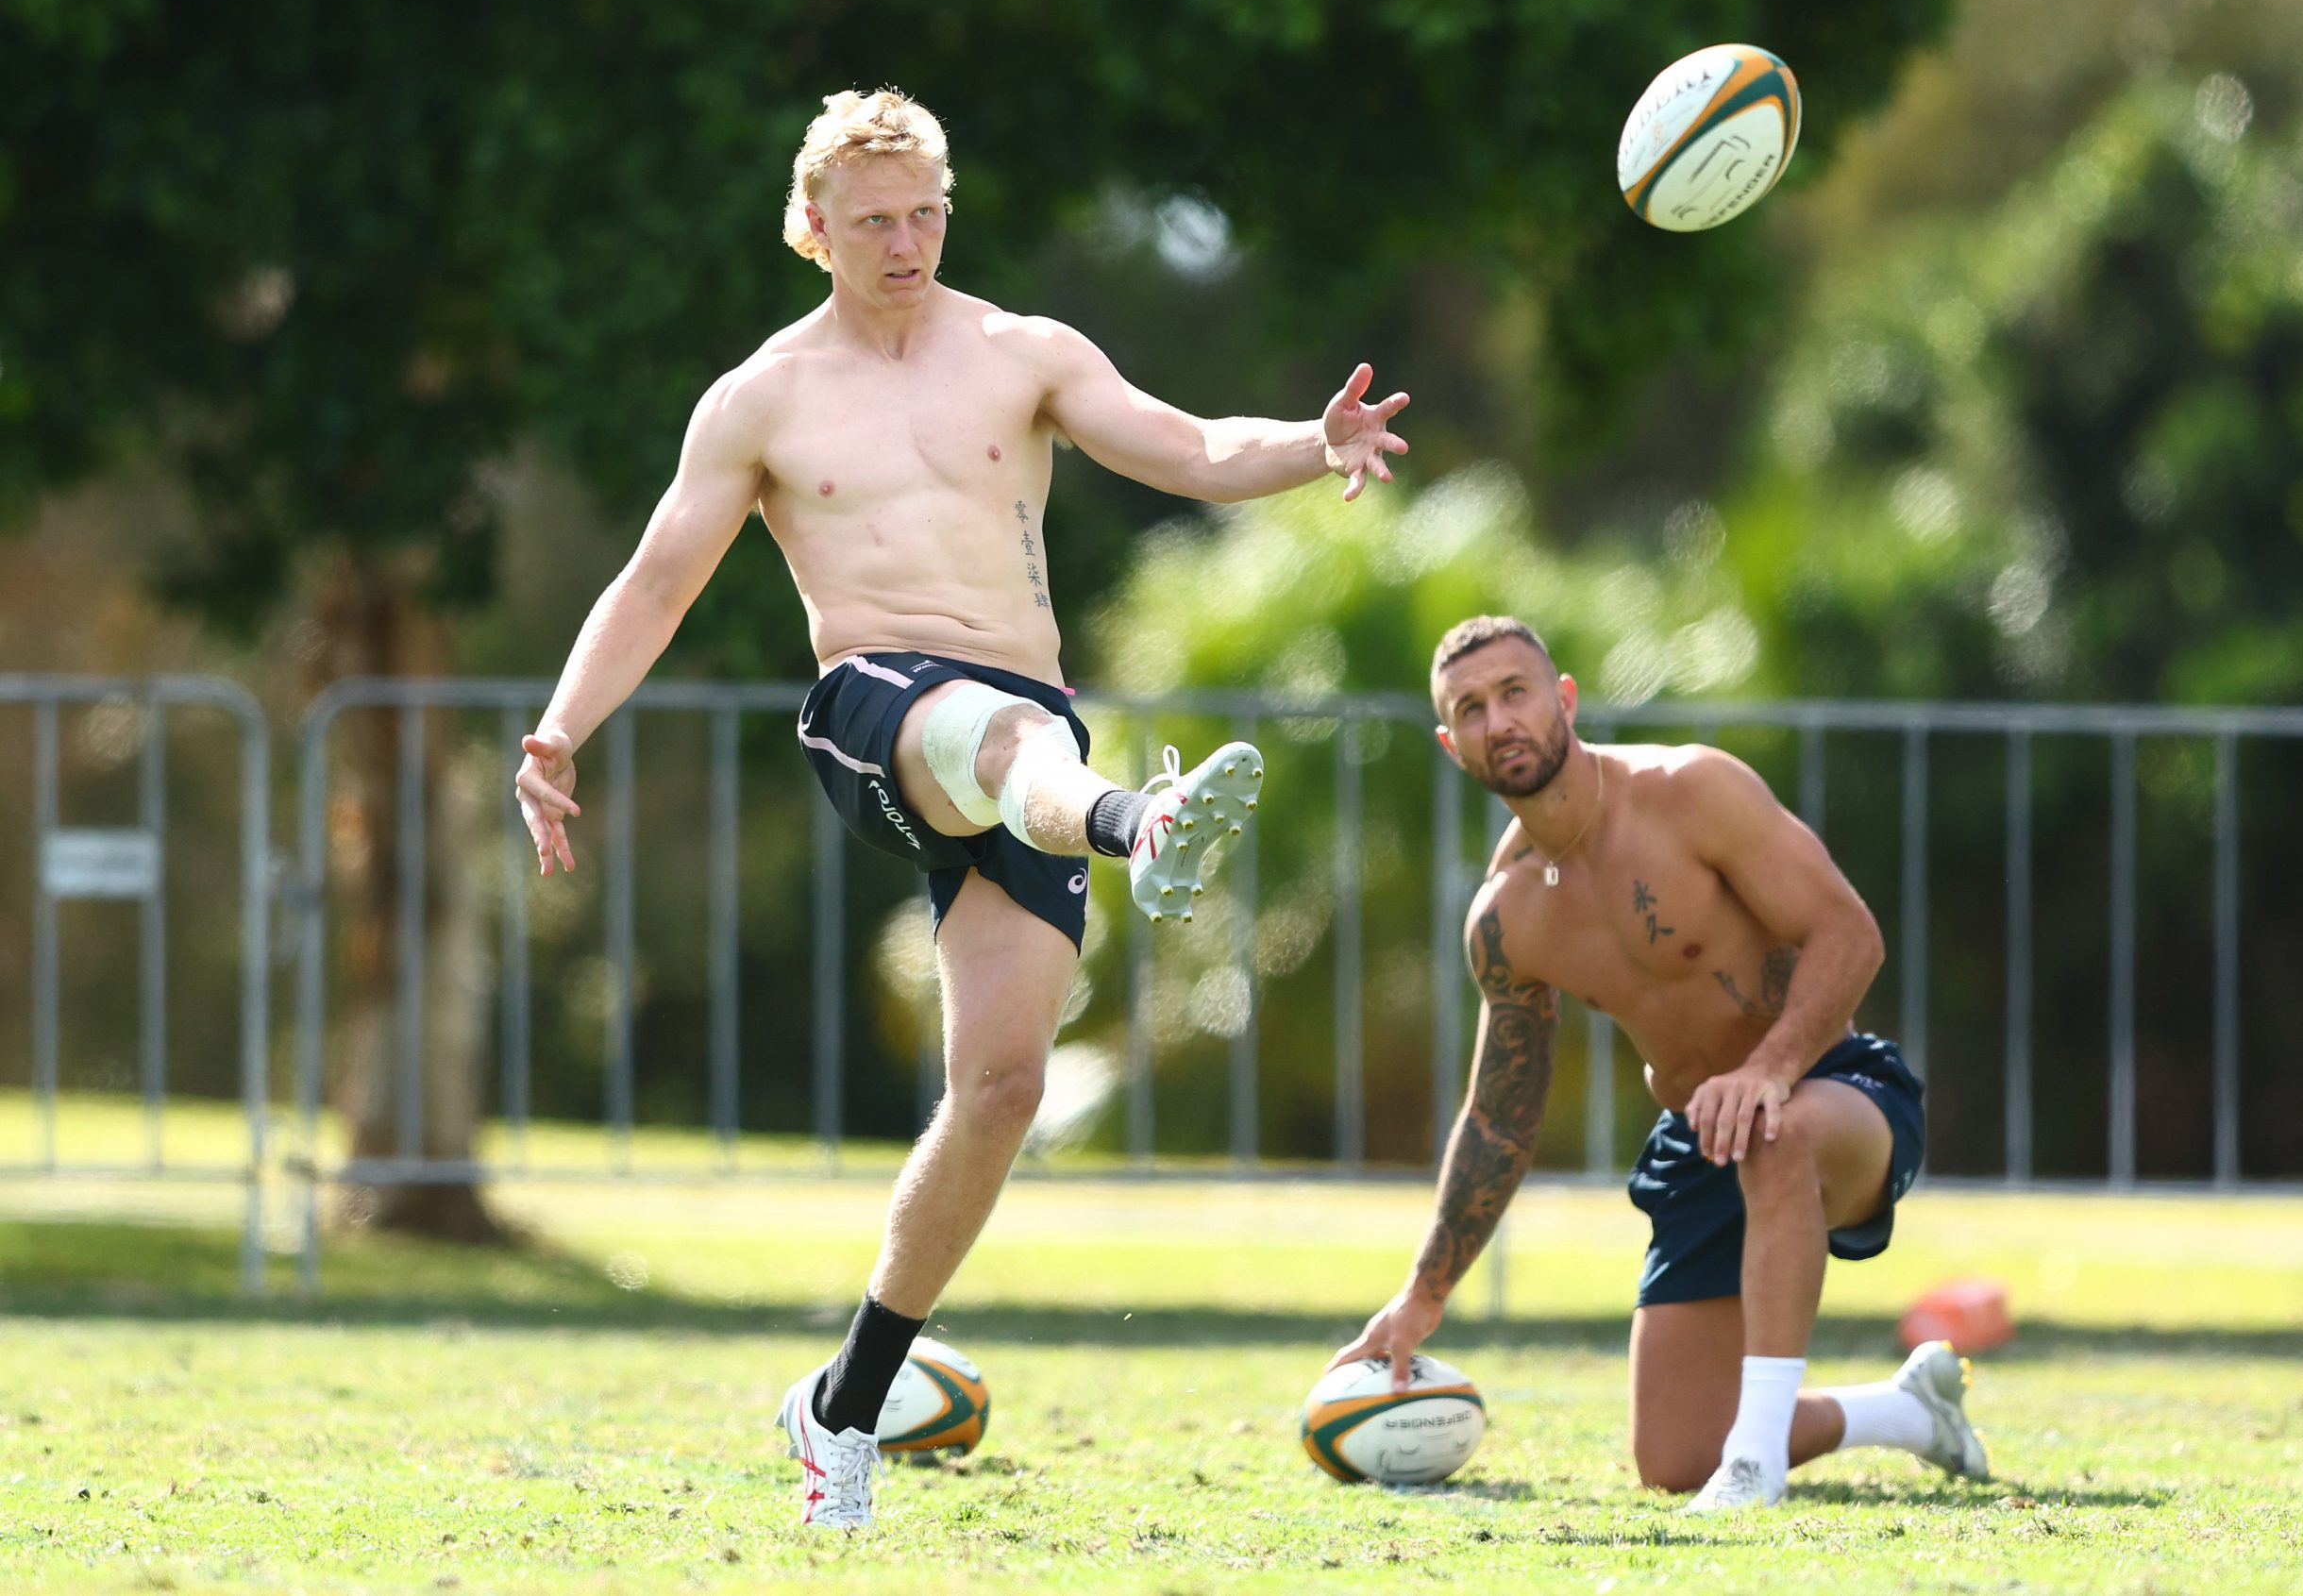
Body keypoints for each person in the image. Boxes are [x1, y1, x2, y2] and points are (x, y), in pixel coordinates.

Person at [510, 88, 1409, 1530]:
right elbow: (656, 580)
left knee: (1000, 1088)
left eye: (926, 212)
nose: (907, 240)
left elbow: (1184, 446)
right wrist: (560, 729)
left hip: (1030, 742)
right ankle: (1143, 824)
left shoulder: (1022, 353)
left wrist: (1315, 440)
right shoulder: (761, 399)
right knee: (984, 730)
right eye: (875, 220)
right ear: (812, 229)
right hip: (878, 711)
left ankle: (843, 1406)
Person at [1330, 615, 1986, 1511]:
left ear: (1563, 699)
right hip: (1699, 1142)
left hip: (1833, 1090)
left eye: (1516, 693)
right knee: (1674, 1461)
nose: (1500, 722)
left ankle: (1754, 1467)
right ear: (1454, 746)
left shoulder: (1691, 790)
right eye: (1472, 710)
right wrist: (1421, 1295)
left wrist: (1772, 1068)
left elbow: (1849, 933)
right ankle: (1908, 1412)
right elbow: (1499, 1118)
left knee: (1775, 1133)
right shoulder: (1506, 917)